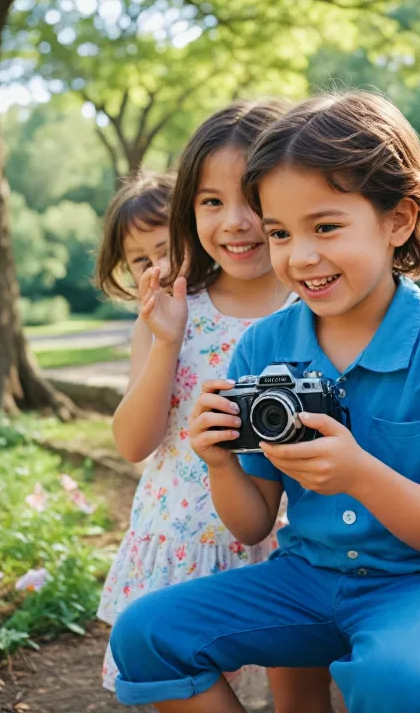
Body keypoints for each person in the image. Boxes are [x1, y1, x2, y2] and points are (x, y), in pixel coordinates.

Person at [108, 91, 420, 712]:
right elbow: (251, 523)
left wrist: (358, 473)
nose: (300, 256)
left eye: (326, 226)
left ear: (399, 219)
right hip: (305, 578)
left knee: (398, 679)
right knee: (145, 633)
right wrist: (219, 461)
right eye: (280, 233)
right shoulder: (262, 348)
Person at [97, 102, 335, 712]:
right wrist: (167, 342)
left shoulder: (318, 306)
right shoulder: (175, 310)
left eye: (253, 200)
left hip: (288, 540)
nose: (235, 222)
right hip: (182, 531)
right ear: (188, 212)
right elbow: (132, 443)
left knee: (300, 700)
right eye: (209, 202)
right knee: (173, 672)